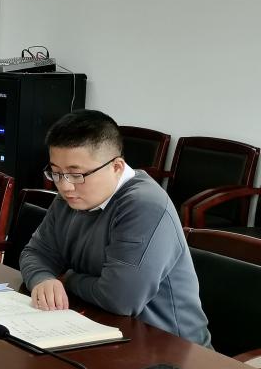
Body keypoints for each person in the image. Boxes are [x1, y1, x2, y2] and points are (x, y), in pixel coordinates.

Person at [20, 110, 211, 345]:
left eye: (76, 174)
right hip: (96, 327)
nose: (65, 186)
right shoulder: (71, 197)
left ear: (117, 167)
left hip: (169, 348)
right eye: (56, 173)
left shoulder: (144, 206)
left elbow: (120, 299)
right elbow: (35, 252)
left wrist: (67, 279)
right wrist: (42, 279)